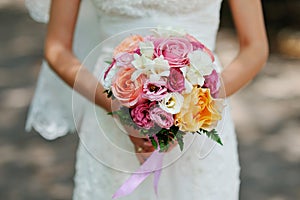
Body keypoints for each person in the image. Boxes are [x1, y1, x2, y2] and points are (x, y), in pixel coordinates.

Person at [25, 0, 268, 199]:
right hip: (109, 107)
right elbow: (57, 49)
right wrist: (118, 106)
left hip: (200, 119)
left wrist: (192, 105)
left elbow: (255, 47)